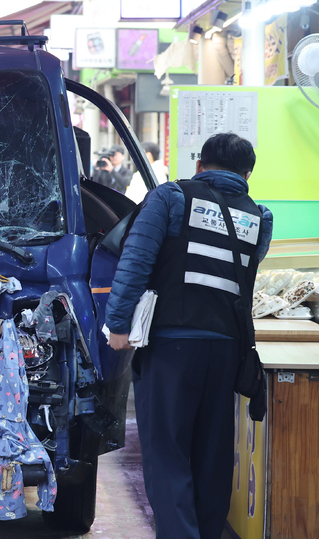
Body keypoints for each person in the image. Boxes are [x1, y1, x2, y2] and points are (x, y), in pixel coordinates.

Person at [105, 133, 273, 539]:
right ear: (247, 174)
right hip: (228, 349)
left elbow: (136, 260)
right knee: (212, 454)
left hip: (172, 346)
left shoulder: (171, 198)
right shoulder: (259, 217)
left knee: (167, 451)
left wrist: (119, 325)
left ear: (200, 165)